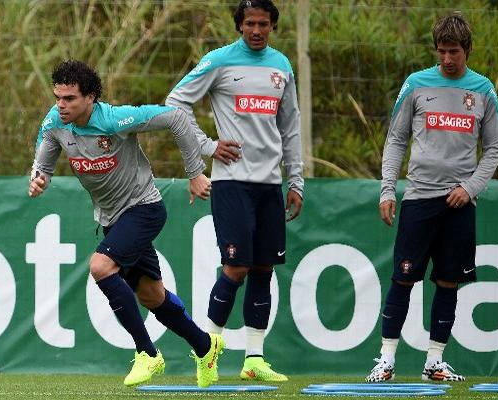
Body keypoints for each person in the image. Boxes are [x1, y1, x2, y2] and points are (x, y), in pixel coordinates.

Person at [28, 60, 224, 388]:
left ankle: (147, 353)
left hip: (144, 209)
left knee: (101, 266)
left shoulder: (116, 119)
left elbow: (176, 117)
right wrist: (38, 179)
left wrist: (195, 173)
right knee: (153, 297)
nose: (61, 105)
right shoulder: (54, 123)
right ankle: (206, 346)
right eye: (58, 97)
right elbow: (43, 162)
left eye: (70, 98)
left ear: (90, 98)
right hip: (111, 219)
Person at [166, 0, 303, 382]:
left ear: (273, 25)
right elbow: (175, 102)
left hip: (270, 184)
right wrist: (209, 146)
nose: (256, 30)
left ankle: (254, 359)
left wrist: (297, 180)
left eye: (263, 24)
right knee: (236, 266)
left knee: (262, 269)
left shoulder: (282, 66)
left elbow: (290, 127)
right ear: (239, 26)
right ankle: (207, 349)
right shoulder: (219, 61)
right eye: (249, 24)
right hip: (231, 183)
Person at [366, 13, 498, 382]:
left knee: (448, 282)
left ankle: (434, 362)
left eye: (453, 52)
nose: (446, 59)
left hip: (459, 203)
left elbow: (494, 148)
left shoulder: (484, 91)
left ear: (466, 50)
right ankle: (386, 361)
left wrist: (470, 188)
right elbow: (396, 139)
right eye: (441, 51)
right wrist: (387, 188)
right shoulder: (416, 85)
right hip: (419, 199)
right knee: (403, 279)